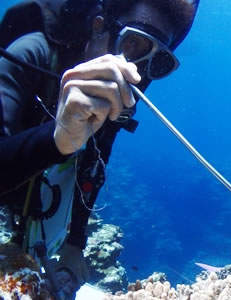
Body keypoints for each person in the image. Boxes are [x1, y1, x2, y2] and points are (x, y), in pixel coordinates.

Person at [0, 0, 199, 296]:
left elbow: (95, 161)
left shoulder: (117, 93)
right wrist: (57, 138)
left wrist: (75, 243)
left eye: (157, 61)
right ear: (99, 28)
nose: (138, 70)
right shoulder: (30, 55)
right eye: (134, 43)